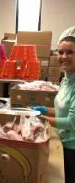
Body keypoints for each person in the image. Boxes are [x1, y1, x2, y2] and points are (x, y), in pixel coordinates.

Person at [32, 36, 75, 183]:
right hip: (60, 139)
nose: (64, 57)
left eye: (70, 52)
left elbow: (71, 122)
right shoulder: (66, 79)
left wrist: (41, 119)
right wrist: (45, 110)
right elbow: (63, 110)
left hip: (72, 147)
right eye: (60, 52)